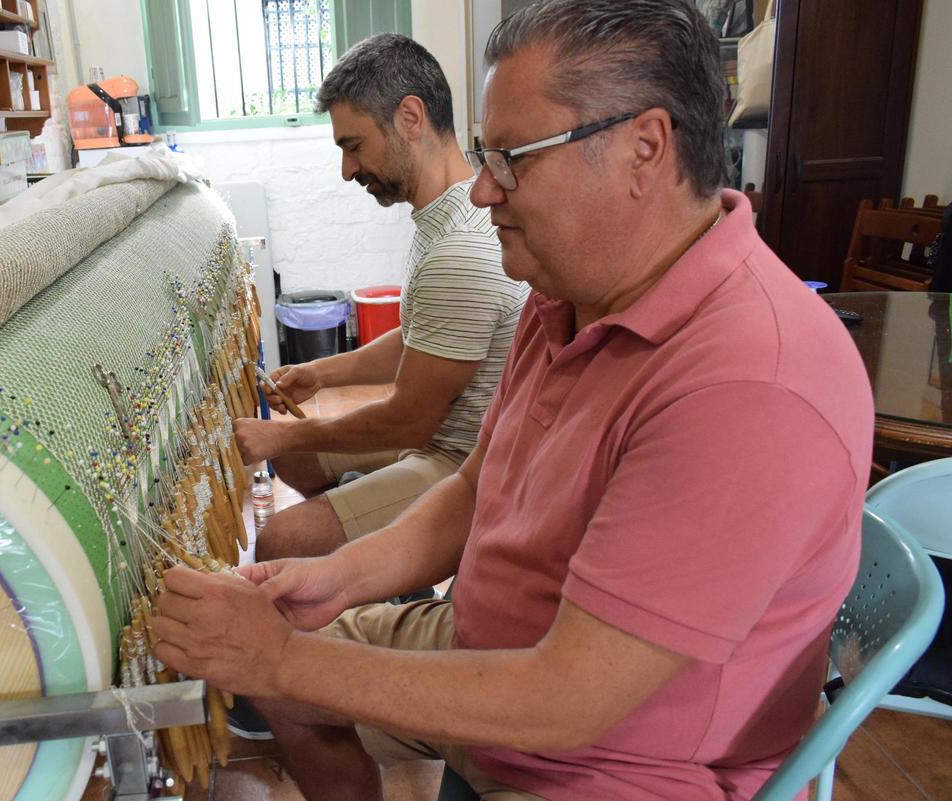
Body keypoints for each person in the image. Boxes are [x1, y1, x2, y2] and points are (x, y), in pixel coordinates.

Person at [151, 2, 875, 800]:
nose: (486, 190)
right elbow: (472, 487)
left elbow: (570, 700)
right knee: (291, 680)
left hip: (619, 762)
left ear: (646, 148)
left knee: (285, 667)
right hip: (501, 651)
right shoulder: (565, 293)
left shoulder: (750, 384)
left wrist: (283, 658)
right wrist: (338, 581)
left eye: (511, 158)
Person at [234, 33, 528, 563]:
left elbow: (408, 421)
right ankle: (377, 555)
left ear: (410, 118)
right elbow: (424, 339)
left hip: (463, 461)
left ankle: (382, 563)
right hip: (437, 435)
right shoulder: (444, 216)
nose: (347, 170)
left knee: (279, 541)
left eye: (353, 145)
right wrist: (320, 373)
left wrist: (278, 439)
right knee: (300, 459)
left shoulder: (457, 251)